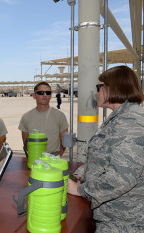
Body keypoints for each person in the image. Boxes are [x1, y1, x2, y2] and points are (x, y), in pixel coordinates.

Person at [67, 66, 144, 233]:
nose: (96, 93)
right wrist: (82, 173)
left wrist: (79, 190)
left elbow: (122, 178)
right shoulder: (118, 118)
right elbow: (100, 158)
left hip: (125, 222)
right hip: (111, 216)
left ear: (112, 88)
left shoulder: (131, 122)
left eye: (99, 87)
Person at [18, 81, 68, 156]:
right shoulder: (26, 117)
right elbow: (26, 142)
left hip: (53, 158)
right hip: (34, 158)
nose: (45, 95)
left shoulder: (60, 116)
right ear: (34, 96)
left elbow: (64, 141)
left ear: (50, 96)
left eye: (48, 93)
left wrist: (57, 157)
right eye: (41, 93)